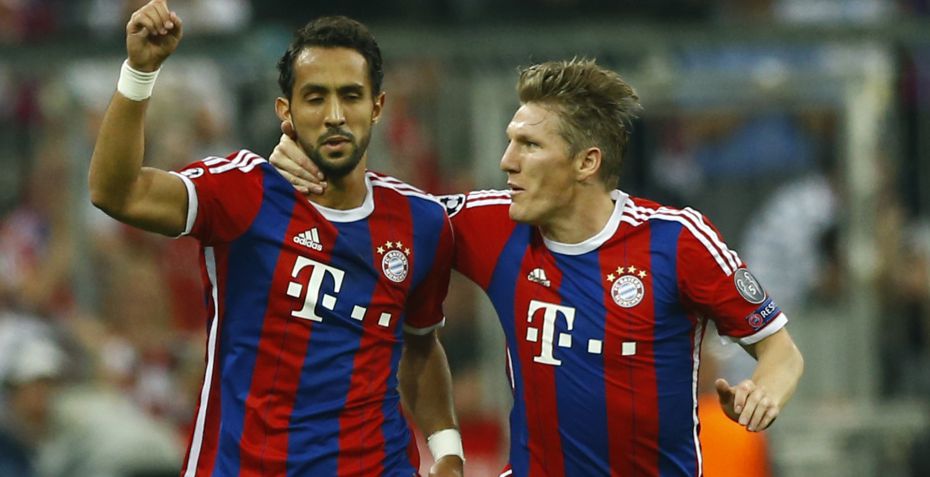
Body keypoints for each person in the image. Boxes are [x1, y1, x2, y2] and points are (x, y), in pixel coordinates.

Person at [272, 57, 805, 476]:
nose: (507, 160)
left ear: (586, 162)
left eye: (528, 145)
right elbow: (384, 213)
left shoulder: (678, 240)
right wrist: (305, 158)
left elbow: (781, 352)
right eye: (510, 142)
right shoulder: (493, 226)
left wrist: (763, 392)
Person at [87, 1, 464, 475]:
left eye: (350, 96)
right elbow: (115, 192)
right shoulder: (242, 192)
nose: (334, 115)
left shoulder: (421, 222)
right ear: (286, 111)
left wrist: (448, 451)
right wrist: (140, 73)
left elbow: (422, 345)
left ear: (377, 107)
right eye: (315, 98)